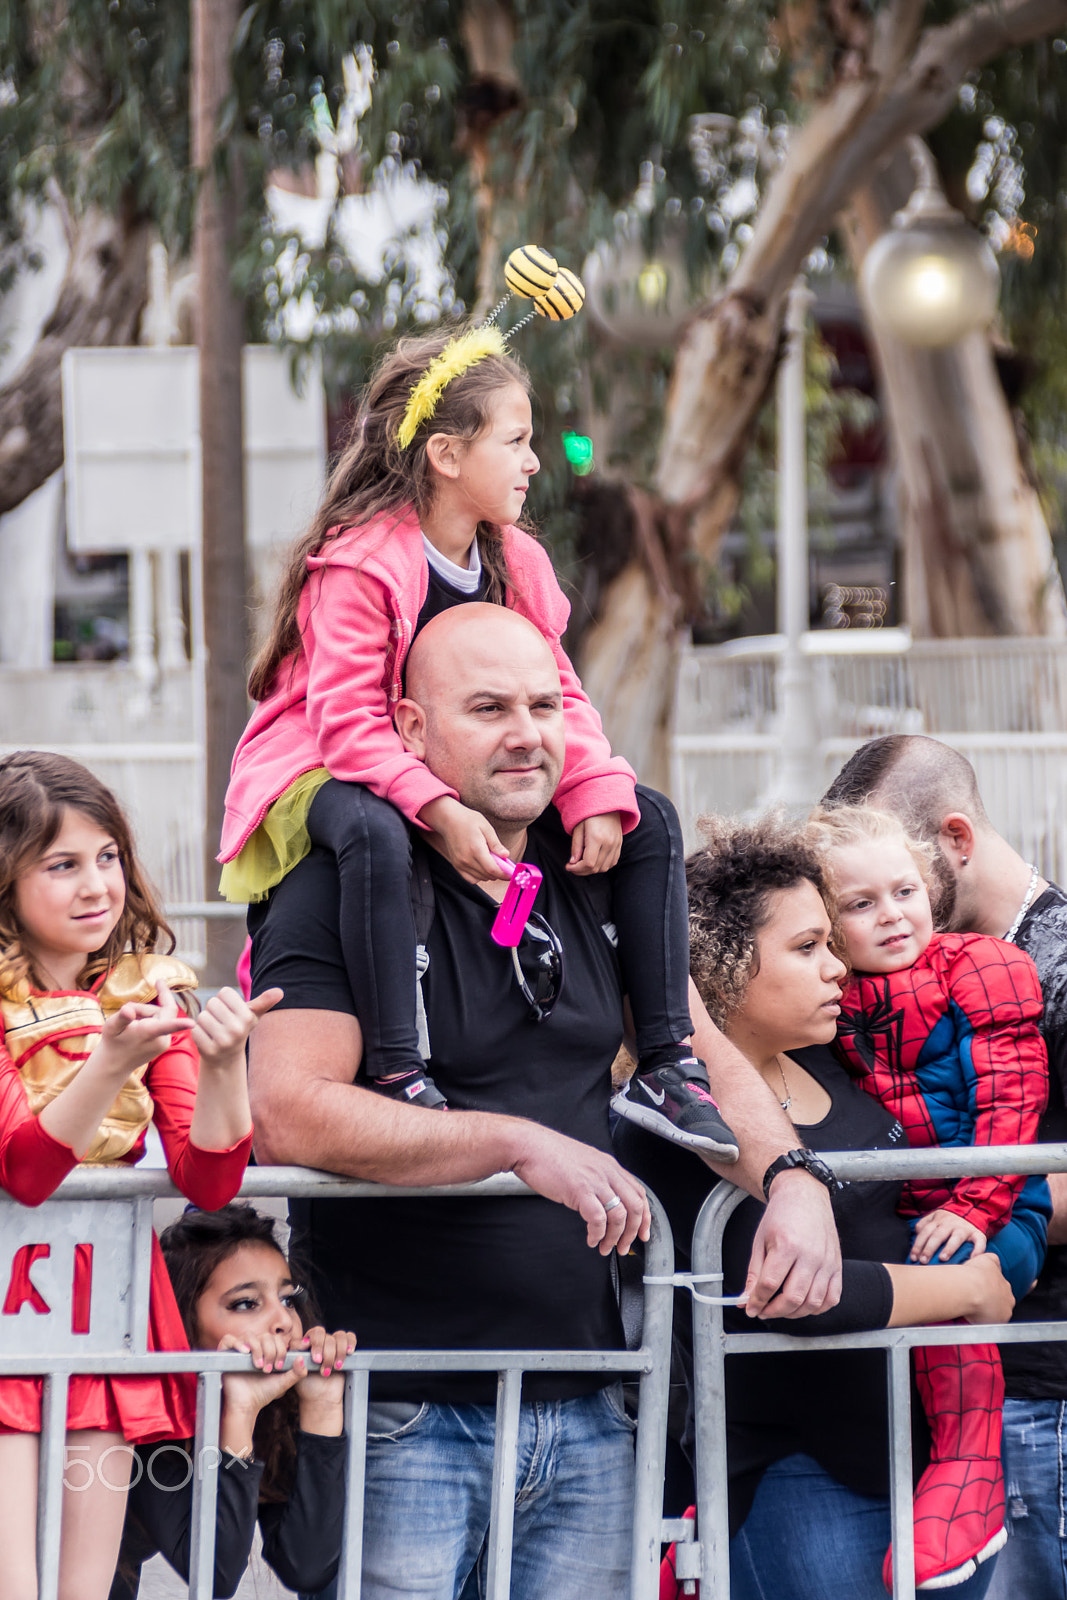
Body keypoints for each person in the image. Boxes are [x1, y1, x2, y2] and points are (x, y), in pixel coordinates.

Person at [245, 604, 844, 1600]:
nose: (525, 732)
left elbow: (706, 1061)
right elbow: (290, 1110)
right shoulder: (342, 885)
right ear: (408, 726)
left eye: (540, 702)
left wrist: (792, 1179)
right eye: (486, 708)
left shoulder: (592, 871)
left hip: (592, 1401)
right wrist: (515, 1143)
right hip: (402, 1410)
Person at [217, 320, 736, 1159]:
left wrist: (595, 790)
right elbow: (348, 726)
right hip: (317, 767)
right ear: (446, 455)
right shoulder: (357, 566)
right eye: (518, 440)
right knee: (370, 829)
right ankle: (395, 1063)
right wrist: (438, 813)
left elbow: (557, 686)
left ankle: (669, 1065)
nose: (537, 461)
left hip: (411, 762)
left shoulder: (516, 560)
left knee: (652, 819)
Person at [616, 814, 1013, 1600]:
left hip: (919, 1461)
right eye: (806, 949)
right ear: (717, 968)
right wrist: (967, 1290)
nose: (837, 968)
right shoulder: (674, 1117)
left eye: (830, 942)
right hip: (798, 1475)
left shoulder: (832, 1062)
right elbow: (787, 1294)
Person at [0, 751, 277, 1600]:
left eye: (108, 857)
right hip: (8, 1332)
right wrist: (107, 1062)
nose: (96, 886)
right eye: (62, 865)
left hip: (104, 1324)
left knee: (89, 1590)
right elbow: (26, 1166)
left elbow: (209, 1182)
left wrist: (223, 1061)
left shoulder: (149, 993)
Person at [823, 734, 1067, 1600]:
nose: (888, 910)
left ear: (952, 843)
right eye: (854, 896)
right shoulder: (877, 977)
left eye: (903, 881)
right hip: (924, 1374)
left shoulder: (1051, 962)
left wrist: (979, 1200)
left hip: (1042, 1386)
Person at [109, 1203, 355, 1600]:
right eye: (246, 1303)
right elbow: (214, 1578)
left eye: (288, 1299)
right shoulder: (145, 1408)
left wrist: (322, 1407)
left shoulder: (271, 1404)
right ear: (182, 1322)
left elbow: (307, 1567)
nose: (284, 1321)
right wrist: (238, 1412)